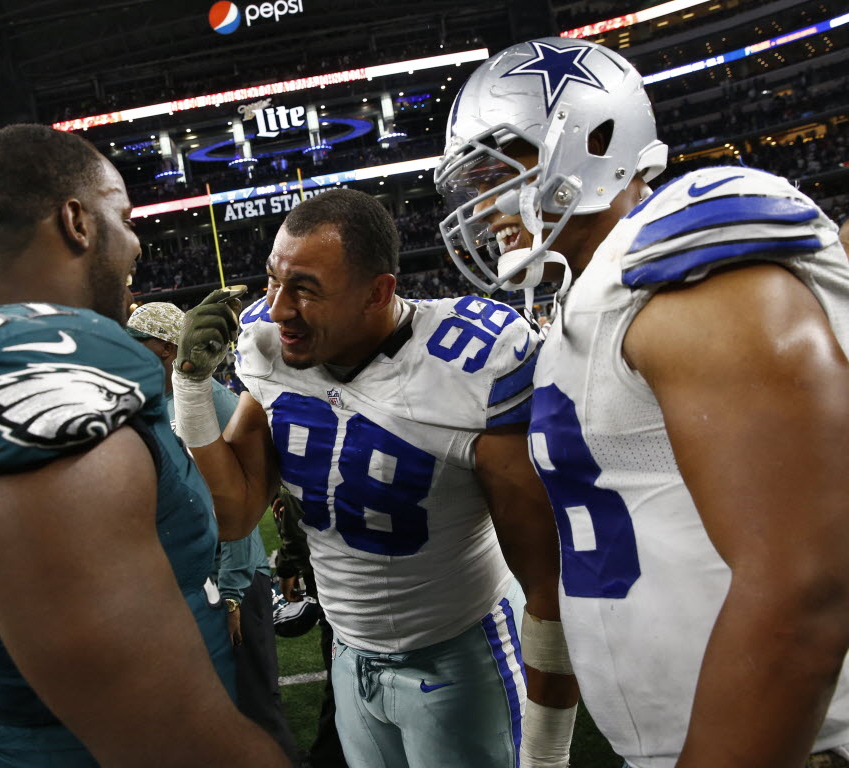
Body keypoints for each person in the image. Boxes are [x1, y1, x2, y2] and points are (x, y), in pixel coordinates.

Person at [436, 37, 849, 768]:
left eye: (497, 174)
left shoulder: (686, 264)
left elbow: (806, 582)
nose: (482, 207)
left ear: (592, 140)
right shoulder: (586, 303)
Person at [0, 124, 290, 767]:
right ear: (77, 221)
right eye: (127, 217)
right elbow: (168, 734)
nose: (137, 243)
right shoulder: (53, 389)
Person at [171, 188, 579, 767]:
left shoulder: (469, 366)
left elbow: (548, 580)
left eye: (306, 289)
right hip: (349, 654)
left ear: (378, 292)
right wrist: (189, 391)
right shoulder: (270, 347)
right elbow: (235, 514)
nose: (280, 308)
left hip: (458, 653)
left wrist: (546, 753)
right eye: (273, 281)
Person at [126, 301, 298, 762]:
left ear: (164, 348)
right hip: (188, 588)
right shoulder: (147, 408)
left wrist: (234, 591)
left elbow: (236, 503)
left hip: (230, 583)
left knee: (255, 711)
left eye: (136, 343)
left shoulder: (210, 401)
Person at [272, 487, 347, 768]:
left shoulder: (306, 461)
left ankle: (327, 759)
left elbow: (295, 529)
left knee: (342, 678)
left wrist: (292, 571)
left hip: (339, 592)